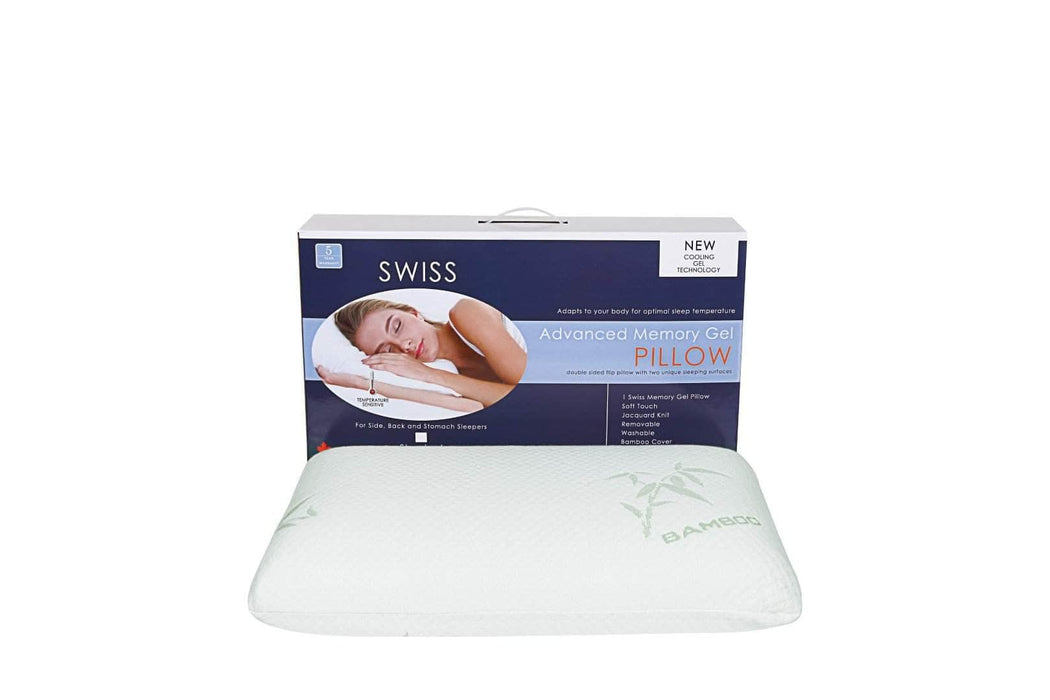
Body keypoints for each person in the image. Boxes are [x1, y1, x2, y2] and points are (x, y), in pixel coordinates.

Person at [315, 297, 526, 412]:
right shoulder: (448, 372)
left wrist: (428, 374)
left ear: (414, 313)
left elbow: (527, 393)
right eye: (387, 350)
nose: (403, 345)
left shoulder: (466, 312)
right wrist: (362, 383)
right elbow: (472, 407)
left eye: (397, 326)